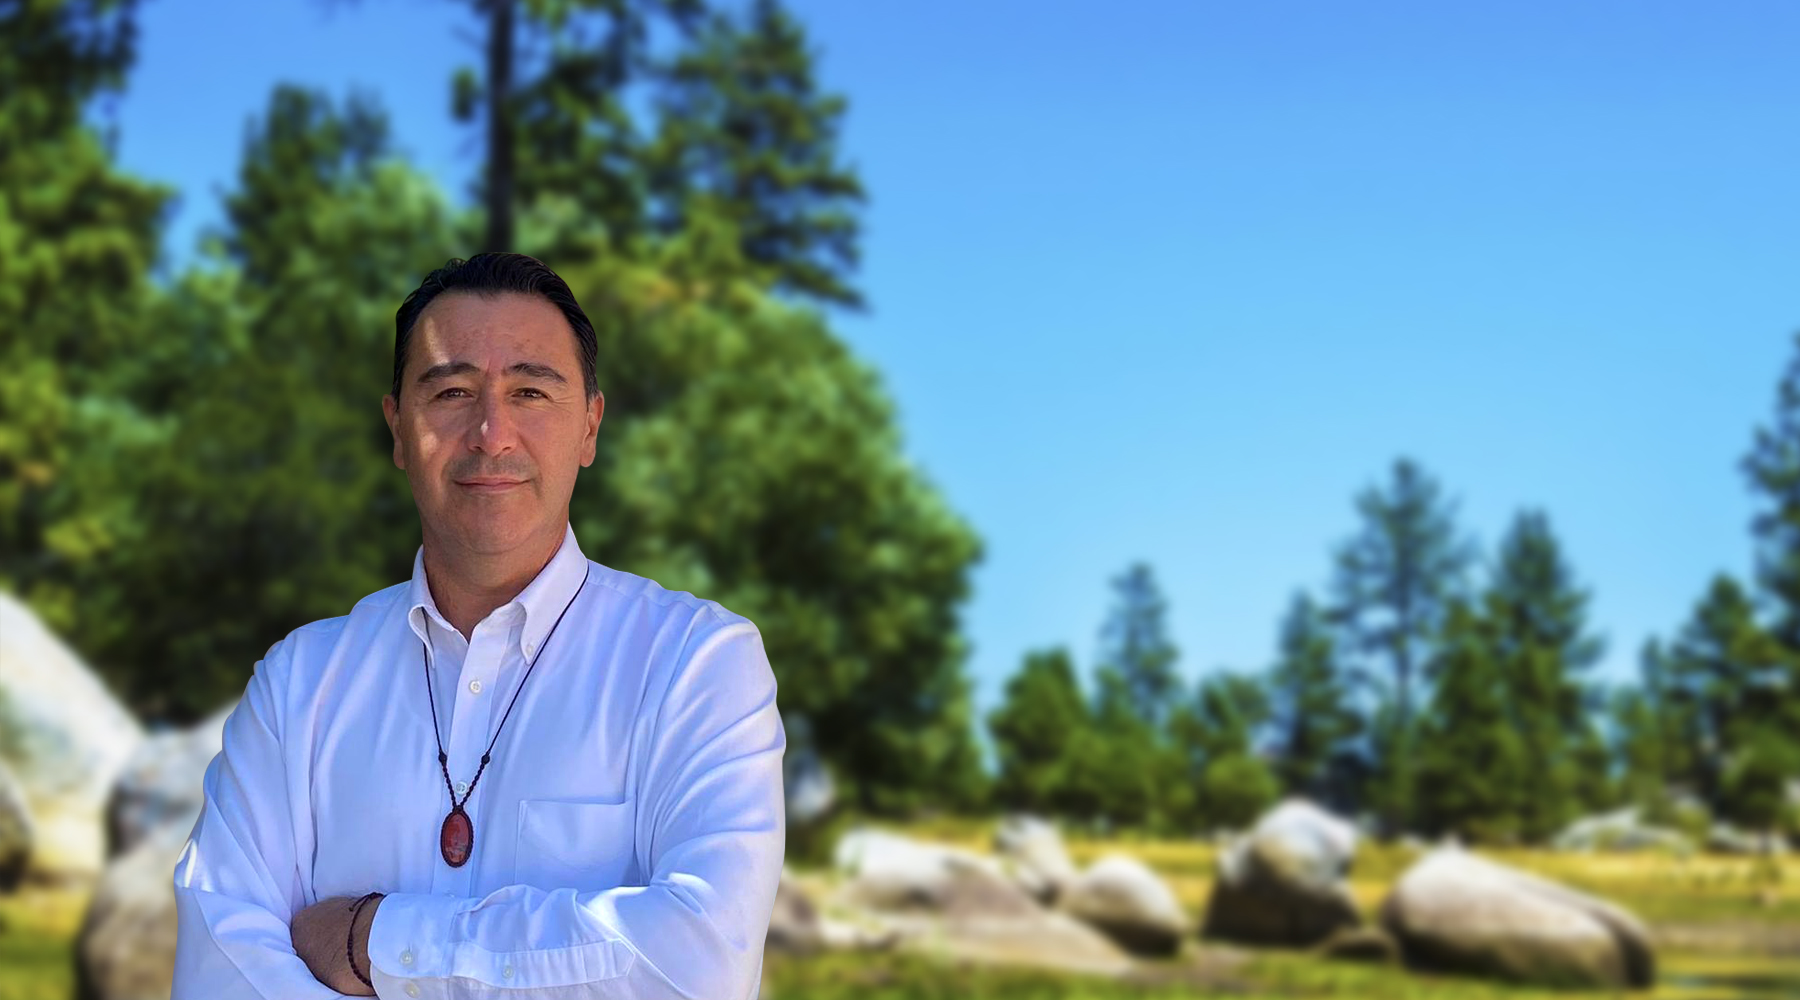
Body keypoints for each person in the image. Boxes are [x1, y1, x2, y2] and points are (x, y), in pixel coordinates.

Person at [170, 252, 787, 999]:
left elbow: (699, 967)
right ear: (398, 430)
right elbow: (217, 974)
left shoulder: (697, 663)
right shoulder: (299, 685)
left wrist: (372, 939)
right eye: (452, 392)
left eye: (531, 391)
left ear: (590, 427)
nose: (492, 433)